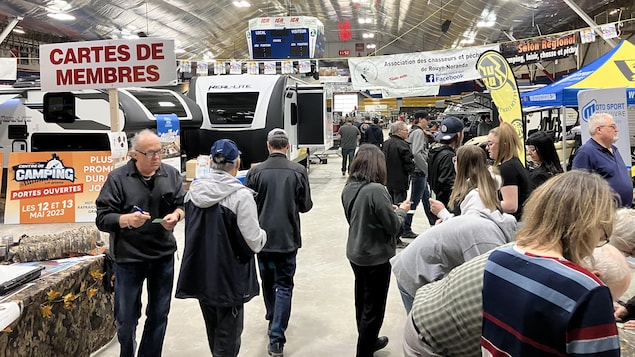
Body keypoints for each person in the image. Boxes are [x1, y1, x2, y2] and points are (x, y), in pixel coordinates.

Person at [403, 243, 630, 357]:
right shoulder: (550, 292)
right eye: (609, 300)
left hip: (427, 309)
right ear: (595, 278)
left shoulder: (534, 255)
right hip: (427, 340)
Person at [481, 170, 620, 356]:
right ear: (589, 225)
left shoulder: (498, 259)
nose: (597, 243)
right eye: (602, 234)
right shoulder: (587, 290)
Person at [95, 129, 185, 357]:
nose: (157, 157)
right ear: (135, 155)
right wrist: (126, 220)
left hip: (162, 257)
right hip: (129, 259)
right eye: (151, 153)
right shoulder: (117, 179)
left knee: (159, 313)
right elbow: (102, 218)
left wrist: (176, 216)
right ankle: (127, 352)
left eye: (160, 151)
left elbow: (182, 204)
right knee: (126, 318)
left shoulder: (171, 175)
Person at [175, 139, 267, 357]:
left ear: (210, 162)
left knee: (214, 331)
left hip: (200, 274)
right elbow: (253, 240)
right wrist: (264, 235)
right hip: (229, 277)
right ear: (237, 164)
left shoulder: (193, 191)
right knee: (228, 338)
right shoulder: (241, 196)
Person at [244, 128, 313, 357]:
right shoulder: (298, 170)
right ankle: (276, 339)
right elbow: (305, 205)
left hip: (262, 240)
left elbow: (248, 206)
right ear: (287, 146)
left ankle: (272, 318)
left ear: (268, 145)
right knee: (284, 285)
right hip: (288, 240)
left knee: (267, 280)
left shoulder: (255, 172)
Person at [341, 144, 410, 357]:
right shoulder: (377, 190)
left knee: (362, 299)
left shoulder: (349, 187)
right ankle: (365, 349)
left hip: (356, 251)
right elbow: (393, 227)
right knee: (375, 307)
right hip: (376, 257)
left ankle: (368, 339)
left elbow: (358, 217)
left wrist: (386, 212)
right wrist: (402, 213)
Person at [391, 209, 517, 313]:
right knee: (423, 332)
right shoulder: (487, 239)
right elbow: (484, 285)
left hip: (415, 264)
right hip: (413, 272)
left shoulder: (488, 223)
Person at [572, 112, 632, 207]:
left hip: (623, 211)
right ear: (599, 130)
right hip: (604, 214)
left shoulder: (614, 149)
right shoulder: (586, 152)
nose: (617, 130)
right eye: (612, 126)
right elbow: (579, 188)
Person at [429, 145, 500, 222]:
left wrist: (443, 214)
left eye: (456, 159)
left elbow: (468, 227)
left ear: (463, 165)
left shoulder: (476, 195)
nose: (454, 163)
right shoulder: (477, 188)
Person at [486, 122, 532, 220]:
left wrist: (484, 204)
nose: (487, 148)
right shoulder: (514, 163)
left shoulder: (507, 169)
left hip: (516, 223)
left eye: (490, 144)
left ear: (503, 145)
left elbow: (510, 206)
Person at [382, 121, 415, 246]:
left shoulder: (386, 144)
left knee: (390, 208)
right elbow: (408, 164)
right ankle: (397, 238)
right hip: (400, 181)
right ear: (398, 131)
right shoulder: (403, 145)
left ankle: (390, 236)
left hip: (387, 181)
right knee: (401, 208)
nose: (407, 132)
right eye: (406, 130)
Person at [403, 111, 436, 233]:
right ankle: (406, 227)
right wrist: (427, 169)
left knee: (427, 200)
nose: (428, 122)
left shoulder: (412, 131)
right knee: (414, 202)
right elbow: (417, 153)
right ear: (420, 119)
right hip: (419, 171)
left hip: (417, 171)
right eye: (427, 119)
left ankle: (433, 223)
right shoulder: (418, 133)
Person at [428, 116, 464, 207]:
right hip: (445, 205)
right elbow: (447, 184)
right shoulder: (449, 156)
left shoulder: (435, 152)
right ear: (459, 134)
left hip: (436, 201)